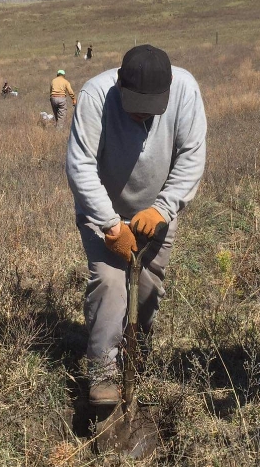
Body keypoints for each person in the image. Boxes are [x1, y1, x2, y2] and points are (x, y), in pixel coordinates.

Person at [66, 44, 207, 407]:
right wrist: (111, 225)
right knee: (110, 283)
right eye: (136, 107)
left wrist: (162, 209)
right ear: (119, 86)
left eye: (151, 108)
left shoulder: (186, 90)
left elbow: (192, 155)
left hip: (156, 214)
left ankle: (135, 359)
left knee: (146, 291)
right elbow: (80, 166)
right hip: (103, 212)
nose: (143, 115)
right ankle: (102, 375)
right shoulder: (96, 96)